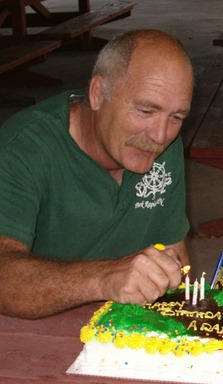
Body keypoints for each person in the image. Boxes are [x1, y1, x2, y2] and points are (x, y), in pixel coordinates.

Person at [0, 29, 194, 319]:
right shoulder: (25, 147)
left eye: (176, 117)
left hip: (121, 334)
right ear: (97, 94)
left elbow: (175, 256)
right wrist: (104, 279)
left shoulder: (164, 145)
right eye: (145, 111)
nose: (160, 135)